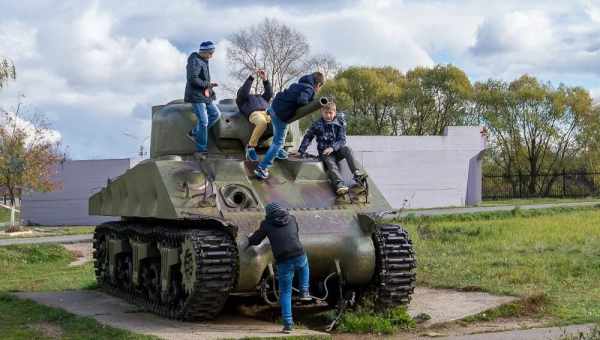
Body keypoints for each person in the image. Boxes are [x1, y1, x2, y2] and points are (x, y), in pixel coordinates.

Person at [246, 202, 311, 333]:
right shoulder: (292, 219)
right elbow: (294, 232)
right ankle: (304, 291)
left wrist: (248, 239)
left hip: (283, 260)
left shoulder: (266, 224)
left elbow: (256, 240)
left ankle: (288, 325)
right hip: (298, 253)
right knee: (304, 266)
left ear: (268, 214)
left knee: (285, 292)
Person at [254, 72, 325, 179]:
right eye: (319, 87)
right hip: (281, 115)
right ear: (318, 84)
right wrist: (309, 100)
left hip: (273, 108)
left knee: (285, 129)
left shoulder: (299, 84)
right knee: (278, 142)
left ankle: (278, 152)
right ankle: (262, 168)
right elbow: (302, 100)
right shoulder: (309, 89)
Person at [297, 102, 366, 195]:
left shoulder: (339, 123)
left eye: (330, 113)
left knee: (347, 149)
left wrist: (332, 148)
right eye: (326, 113)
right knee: (331, 164)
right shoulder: (317, 124)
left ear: (334, 112)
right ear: (322, 112)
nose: (328, 115)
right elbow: (308, 137)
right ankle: (339, 184)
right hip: (325, 153)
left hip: (336, 150)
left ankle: (356, 173)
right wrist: (301, 151)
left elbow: (342, 140)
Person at [184, 41, 221, 155]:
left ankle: (195, 132)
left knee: (216, 114)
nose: (212, 55)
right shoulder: (194, 60)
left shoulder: (204, 61)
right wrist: (207, 84)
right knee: (204, 121)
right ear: (204, 52)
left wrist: (210, 88)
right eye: (210, 53)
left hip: (204, 95)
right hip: (196, 95)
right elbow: (193, 79)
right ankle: (201, 149)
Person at [235, 69, 273, 161]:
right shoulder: (242, 100)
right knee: (262, 123)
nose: (250, 91)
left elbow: (269, 93)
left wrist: (265, 79)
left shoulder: (261, 98)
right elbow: (244, 91)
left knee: (279, 122)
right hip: (254, 113)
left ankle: (277, 147)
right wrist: (251, 78)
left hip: (267, 112)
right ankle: (251, 147)